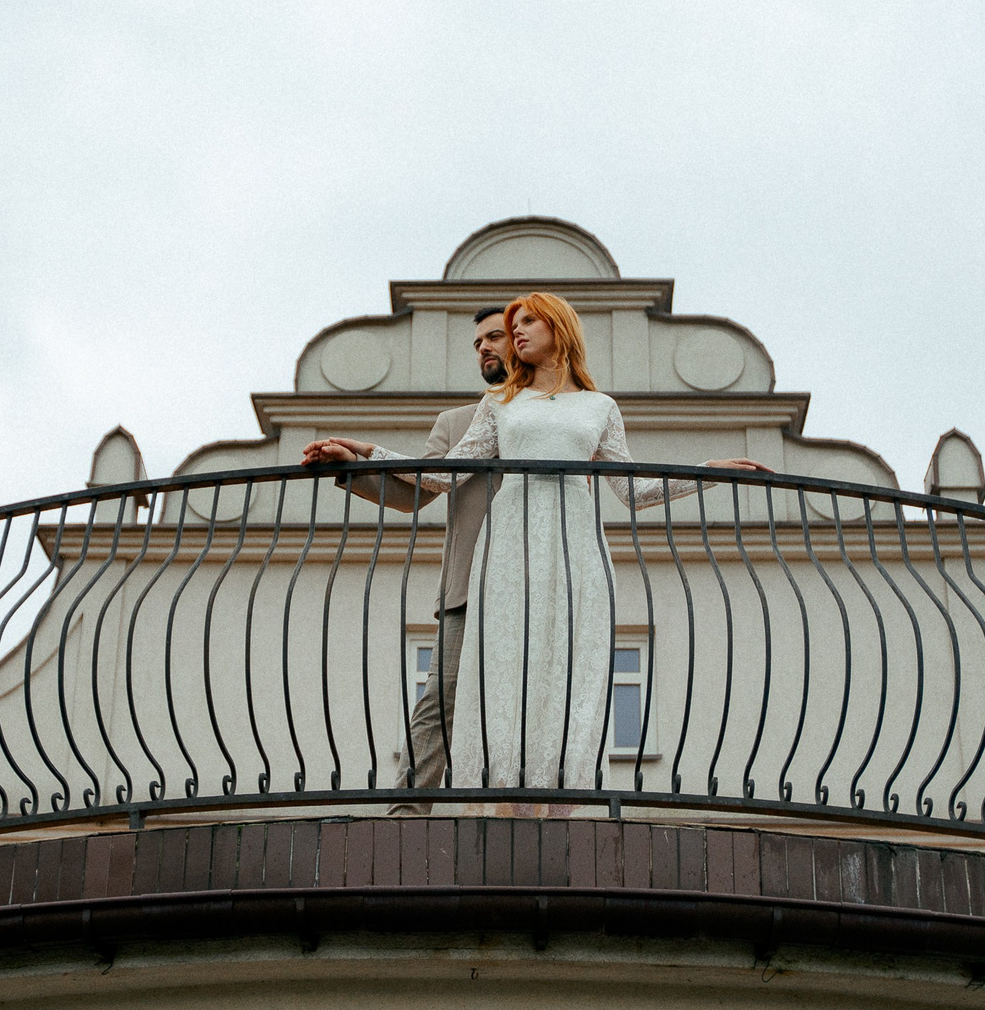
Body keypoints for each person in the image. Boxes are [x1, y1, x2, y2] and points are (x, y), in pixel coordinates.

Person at [355, 293, 768, 792]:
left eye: (528, 321)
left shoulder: (600, 407)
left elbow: (633, 491)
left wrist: (707, 472)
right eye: (513, 324)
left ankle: (559, 793)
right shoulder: (499, 403)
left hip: (574, 548)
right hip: (509, 545)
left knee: (567, 666)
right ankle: (496, 791)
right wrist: (368, 454)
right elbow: (445, 474)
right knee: (501, 666)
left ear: (559, 327)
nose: (517, 331)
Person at [301, 308, 511, 813]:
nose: (484, 347)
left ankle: (530, 815)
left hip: (542, 578)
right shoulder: (456, 422)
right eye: (477, 341)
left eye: (496, 336)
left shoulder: (561, 412)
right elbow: (417, 491)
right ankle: (405, 816)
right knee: (439, 703)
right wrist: (355, 466)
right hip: (467, 588)